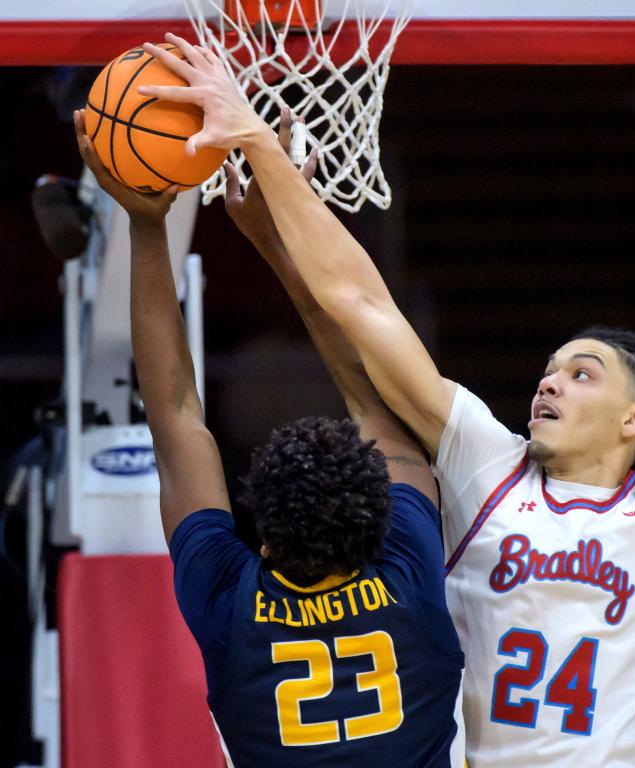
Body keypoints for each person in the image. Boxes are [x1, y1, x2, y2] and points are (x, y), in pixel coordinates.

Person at [139, 37, 635, 766]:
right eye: (550, 369)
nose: (550, 380)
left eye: (583, 372)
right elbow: (363, 306)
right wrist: (267, 164)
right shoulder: (487, 461)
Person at [73, 109, 466, 768]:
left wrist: (147, 226)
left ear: (266, 537)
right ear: (377, 520)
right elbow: (371, 400)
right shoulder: (411, 572)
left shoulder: (237, 605)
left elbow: (173, 411)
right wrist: (261, 241)